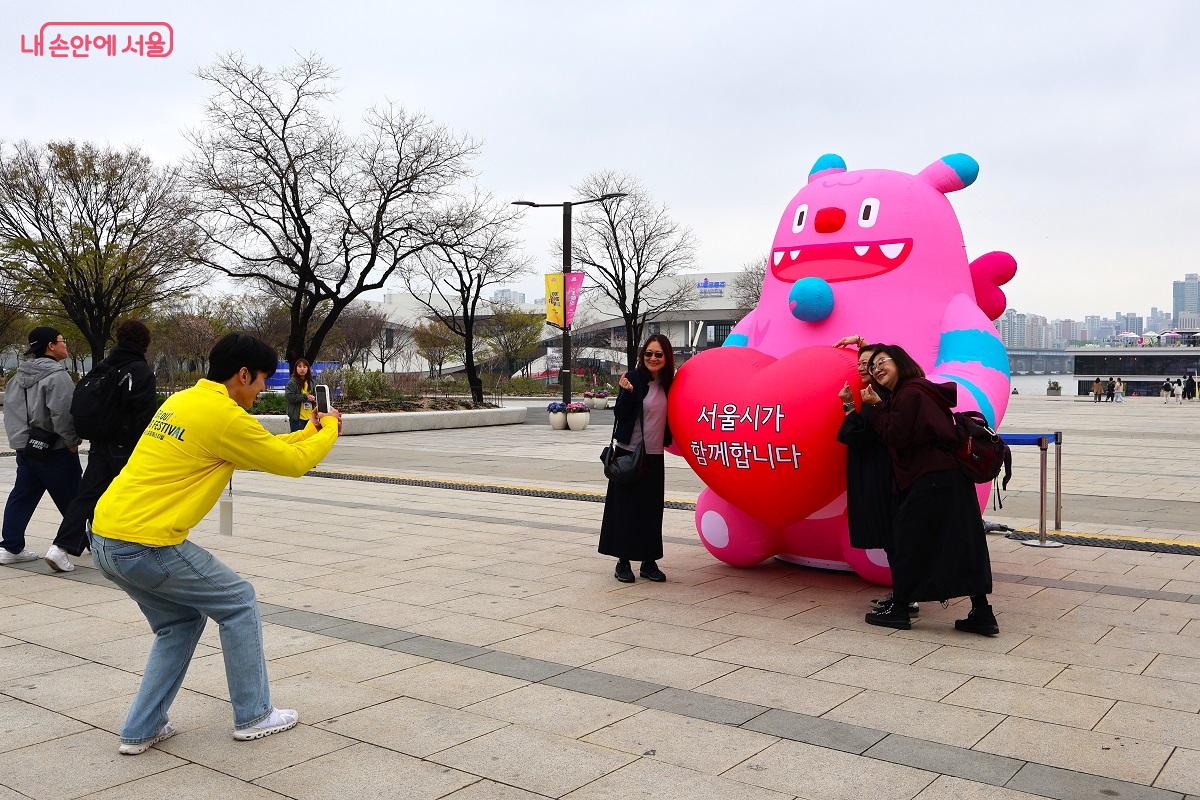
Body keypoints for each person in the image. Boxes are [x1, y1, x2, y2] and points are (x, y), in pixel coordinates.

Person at [89, 333, 342, 755]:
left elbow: (265, 448)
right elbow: (293, 464)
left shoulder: (184, 401)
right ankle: (254, 714)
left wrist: (310, 431)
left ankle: (141, 728)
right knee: (239, 601)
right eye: (262, 379)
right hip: (146, 543)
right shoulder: (224, 416)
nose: (263, 388)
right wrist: (330, 429)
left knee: (180, 623)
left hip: (105, 538)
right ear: (243, 374)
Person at [860, 344, 997, 635]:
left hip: (930, 478)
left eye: (882, 362)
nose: (876, 369)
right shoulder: (920, 390)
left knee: (908, 540)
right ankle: (982, 612)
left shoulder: (910, 392)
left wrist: (875, 407)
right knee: (963, 543)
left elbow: (895, 435)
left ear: (901, 362)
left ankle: (900, 609)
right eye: (872, 367)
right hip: (950, 477)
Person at [46, 320, 158, 573]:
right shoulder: (140, 370)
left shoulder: (103, 366)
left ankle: (60, 547)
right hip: (126, 445)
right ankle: (134, 547)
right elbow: (144, 414)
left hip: (100, 442)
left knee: (87, 495)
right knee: (134, 496)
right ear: (144, 342)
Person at [833, 335, 913, 617]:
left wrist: (848, 407)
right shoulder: (876, 393)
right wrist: (858, 341)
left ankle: (906, 598)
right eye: (861, 363)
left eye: (870, 364)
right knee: (891, 540)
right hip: (877, 474)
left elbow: (862, 434)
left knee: (894, 540)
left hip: (884, 477)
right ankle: (902, 594)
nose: (864, 367)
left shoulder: (884, 396)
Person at [1, 327, 82, 566]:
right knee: (76, 499)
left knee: (22, 497)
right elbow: (63, 414)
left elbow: (11, 413)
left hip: (27, 449)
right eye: (62, 341)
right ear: (51, 346)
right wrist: (72, 441)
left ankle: (10, 547)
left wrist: (21, 443)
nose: (65, 345)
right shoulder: (58, 376)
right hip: (56, 449)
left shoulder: (17, 377)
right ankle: (69, 547)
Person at [599, 334, 674, 584]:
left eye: (658, 354)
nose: (653, 358)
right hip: (628, 454)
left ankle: (649, 562)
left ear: (666, 358)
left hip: (654, 456)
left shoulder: (669, 384)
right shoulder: (632, 378)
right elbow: (620, 414)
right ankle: (623, 561)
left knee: (651, 511)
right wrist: (628, 393)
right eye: (648, 353)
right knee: (626, 510)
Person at [284, 358, 316, 433]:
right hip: (297, 418)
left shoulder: (311, 382)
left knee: (308, 438)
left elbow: (315, 395)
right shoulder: (292, 382)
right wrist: (305, 397)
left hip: (309, 417)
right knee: (297, 438)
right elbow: (290, 397)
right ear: (296, 368)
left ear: (308, 368)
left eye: (304, 367)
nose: (302, 369)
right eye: (299, 366)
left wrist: (314, 398)